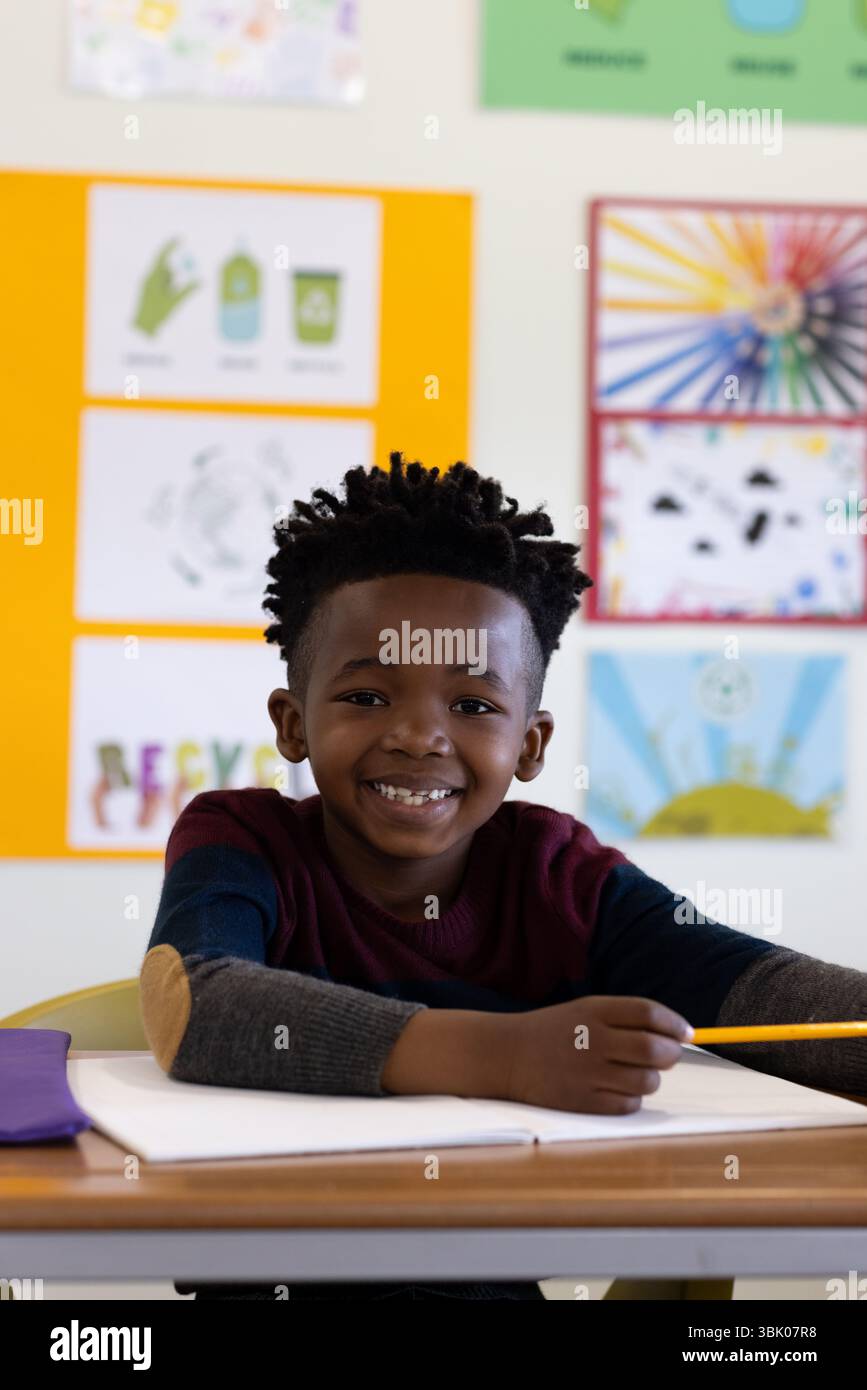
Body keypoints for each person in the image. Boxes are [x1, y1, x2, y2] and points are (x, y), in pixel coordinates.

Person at [141, 452, 867, 1301]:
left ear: (529, 744)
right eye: (368, 696)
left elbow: (760, 993)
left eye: (475, 705)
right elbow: (196, 1007)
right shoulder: (242, 838)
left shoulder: (559, 875)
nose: (419, 736)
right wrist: (506, 1055)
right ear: (293, 724)